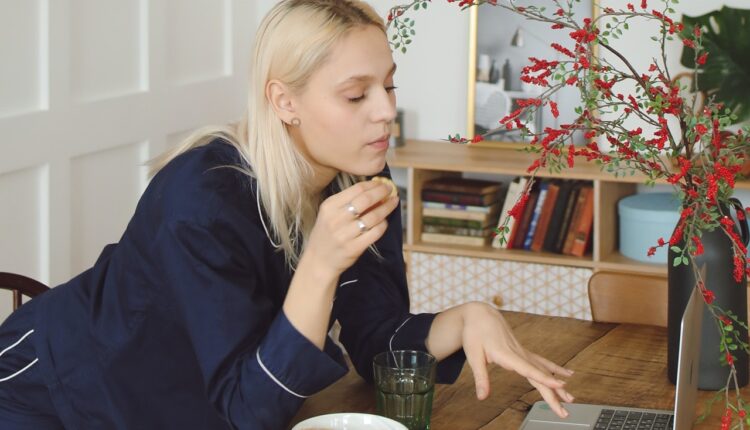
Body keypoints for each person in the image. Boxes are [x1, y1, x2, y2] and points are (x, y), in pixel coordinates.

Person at [0, 1, 575, 428]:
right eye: (356, 95)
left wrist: (462, 319)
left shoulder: (360, 175)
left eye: (390, 85)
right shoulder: (200, 197)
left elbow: (377, 343)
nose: (386, 112)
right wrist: (320, 265)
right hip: (52, 394)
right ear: (284, 102)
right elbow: (250, 410)